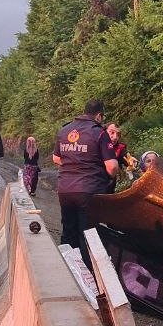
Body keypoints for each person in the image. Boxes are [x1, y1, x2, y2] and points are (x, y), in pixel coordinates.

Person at [53, 99, 118, 255]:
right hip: (89, 191)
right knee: (88, 236)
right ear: (99, 115)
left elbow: (56, 158)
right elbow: (112, 167)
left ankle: (68, 270)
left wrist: (73, 163)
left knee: (68, 232)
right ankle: (87, 274)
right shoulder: (99, 132)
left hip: (65, 190)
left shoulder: (64, 131)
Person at [104, 123, 131, 194]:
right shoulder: (93, 145)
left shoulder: (120, 149)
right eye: (112, 133)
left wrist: (132, 163)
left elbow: (128, 160)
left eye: (118, 134)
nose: (115, 137)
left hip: (109, 190)